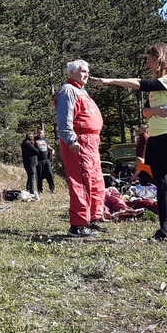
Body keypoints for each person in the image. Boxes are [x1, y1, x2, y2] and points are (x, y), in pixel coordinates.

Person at [91, 43, 167, 241]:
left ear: (160, 59)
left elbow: (140, 84)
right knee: (161, 185)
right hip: (155, 139)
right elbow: (145, 111)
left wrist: (111, 81)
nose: (149, 65)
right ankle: (164, 229)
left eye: (151, 61)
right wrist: (155, 111)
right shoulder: (157, 86)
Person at [54, 59, 105, 237]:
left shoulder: (81, 90)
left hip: (92, 143)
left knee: (96, 180)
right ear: (71, 73)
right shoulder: (68, 90)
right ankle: (78, 225)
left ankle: (93, 219)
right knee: (82, 182)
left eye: (88, 71)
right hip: (79, 143)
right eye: (83, 71)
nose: (86, 74)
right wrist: (71, 140)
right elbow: (64, 118)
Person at [34, 127, 56, 193]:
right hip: (39, 160)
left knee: (49, 174)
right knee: (39, 175)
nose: (40, 134)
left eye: (41, 133)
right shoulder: (34, 140)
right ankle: (40, 190)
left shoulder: (45, 140)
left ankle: (52, 189)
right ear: (37, 132)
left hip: (46, 159)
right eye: (38, 132)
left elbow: (48, 147)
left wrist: (52, 150)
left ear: (43, 133)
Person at [19, 133, 39, 198]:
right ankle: (31, 191)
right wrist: (36, 145)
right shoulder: (29, 144)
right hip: (31, 163)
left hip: (26, 163)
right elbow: (36, 151)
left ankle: (28, 190)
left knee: (29, 177)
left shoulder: (24, 144)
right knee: (32, 177)